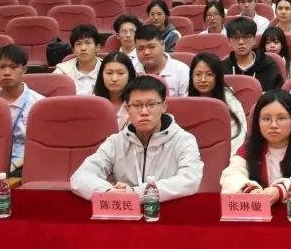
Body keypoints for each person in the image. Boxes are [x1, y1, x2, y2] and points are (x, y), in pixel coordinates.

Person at [70, 76, 203, 200]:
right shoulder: (116, 142)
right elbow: (80, 177)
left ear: (164, 106)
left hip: (168, 211)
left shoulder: (184, 140)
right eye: (137, 105)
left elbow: (190, 180)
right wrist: (108, 192)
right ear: (127, 109)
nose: (144, 112)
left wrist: (137, 193)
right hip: (125, 212)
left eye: (151, 104)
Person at [220, 90, 291, 199]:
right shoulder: (249, 147)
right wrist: (250, 190)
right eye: (266, 119)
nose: (273, 125)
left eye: (281, 118)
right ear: (258, 122)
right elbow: (230, 176)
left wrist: (279, 191)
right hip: (263, 207)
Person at [0, 44, 44, 177]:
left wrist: (15, 165)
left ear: (24, 70)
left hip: (29, 166)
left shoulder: (40, 104)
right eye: (1, 67)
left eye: (13, 67)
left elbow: (45, 147)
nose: (7, 72)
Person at [188, 52, 247, 151]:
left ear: (218, 77)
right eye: (198, 74)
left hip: (225, 155)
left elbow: (238, 136)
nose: (203, 79)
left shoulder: (230, 101)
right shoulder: (186, 100)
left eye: (209, 74)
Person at [223, 17, 284, 91]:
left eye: (246, 37)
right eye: (236, 38)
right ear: (229, 41)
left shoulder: (269, 67)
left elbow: (277, 95)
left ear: (254, 40)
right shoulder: (222, 67)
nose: (241, 42)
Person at [134, 24, 190, 97]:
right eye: (141, 49)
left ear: (163, 45)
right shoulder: (131, 69)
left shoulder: (182, 71)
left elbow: (186, 103)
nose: (146, 52)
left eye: (151, 47)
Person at [53, 23, 102, 96]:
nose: (83, 48)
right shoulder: (61, 72)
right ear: (73, 50)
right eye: (78, 44)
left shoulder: (108, 69)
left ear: (97, 47)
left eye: (88, 43)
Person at [93, 51, 137, 128]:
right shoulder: (92, 102)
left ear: (129, 75)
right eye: (109, 73)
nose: (114, 79)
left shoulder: (138, 103)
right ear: (101, 75)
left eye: (120, 73)